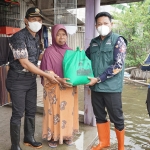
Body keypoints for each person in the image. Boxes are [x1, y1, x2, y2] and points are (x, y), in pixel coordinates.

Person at [6, 7, 58, 150]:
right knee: (18, 112)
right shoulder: (18, 37)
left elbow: (38, 57)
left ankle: (29, 137)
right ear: (26, 21)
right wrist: (46, 74)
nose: (36, 22)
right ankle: (14, 146)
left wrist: (53, 54)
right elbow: (25, 62)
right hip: (17, 79)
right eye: (33, 19)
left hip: (30, 80)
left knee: (31, 110)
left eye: (39, 20)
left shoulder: (36, 37)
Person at [86, 12, 127, 150]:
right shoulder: (94, 42)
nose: (102, 26)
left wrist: (98, 79)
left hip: (111, 88)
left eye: (105, 23)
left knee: (117, 118)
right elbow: (84, 59)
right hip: (96, 88)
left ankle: (121, 147)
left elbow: (118, 66)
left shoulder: (118, 40)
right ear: (96, 25)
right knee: (99, 115)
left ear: (111, 24)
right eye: (99, 24)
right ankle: (104, 142)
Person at [40, 24, 79, 148]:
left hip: (68, 88)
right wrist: (59, 80)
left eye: (64, 34)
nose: (61, 37)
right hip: (54, 88)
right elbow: (46, 71)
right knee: (54, 112)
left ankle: (67, 135)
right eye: (58, 34)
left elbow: (77, 69)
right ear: (53, 36)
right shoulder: (49, 52)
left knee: (68, 112)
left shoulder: (71, 51)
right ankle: (53, 137)